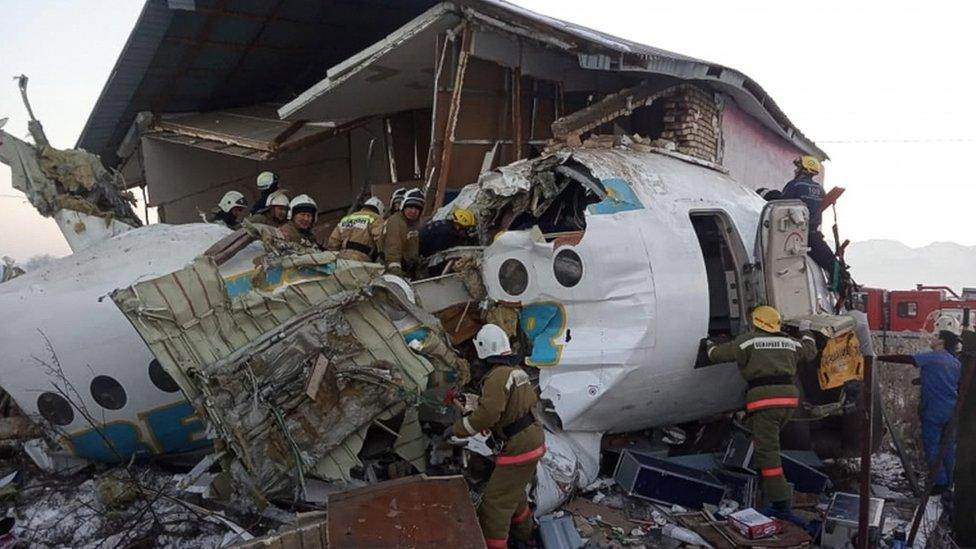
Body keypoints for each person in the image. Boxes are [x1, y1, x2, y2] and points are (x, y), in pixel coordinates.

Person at [706, 305, 817, 518]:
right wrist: (806, 330)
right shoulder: (789, 342)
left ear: (756, 323)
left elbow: (716, 355)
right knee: (758, 437)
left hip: (765, 403)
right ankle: (755, 482)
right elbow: (810, 350)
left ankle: (780, 503)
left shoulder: (748, 341)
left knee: (768, 453)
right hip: (788, 402)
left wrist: (709, 344)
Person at [447, 324, 545, 549]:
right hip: (532, 440)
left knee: (494, 505)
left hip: (519, 447)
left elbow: (488, 415)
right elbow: (510, 410)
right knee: (514, 494)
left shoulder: (497, 377)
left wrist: (458, 428)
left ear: (483, 352)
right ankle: (526, 536)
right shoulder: (517, 372)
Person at [878, 328, 962, 496]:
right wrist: (921, 380)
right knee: (949, 447)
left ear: (941, 341)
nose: (931, 338)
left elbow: (908, 359)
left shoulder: (931, 357)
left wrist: (878, 357)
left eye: (935, 336)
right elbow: (948, 381)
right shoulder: (954, 362)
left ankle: (939, 482)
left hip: (933, 410)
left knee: (932, 446)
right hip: (951, 410)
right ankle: (950, 481)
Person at [781, 156, 839, 279]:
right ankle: (841, 280)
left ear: (804, 170)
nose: (795, 170)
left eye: (798, 168)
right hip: (814, 235)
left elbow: (782, 205)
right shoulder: (820, 189)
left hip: (794, 233)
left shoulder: (795, 185)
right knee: (830, 262)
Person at [327, 197, 385, 262]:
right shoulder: (377, 218)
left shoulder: (347, 218)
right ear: (380, 211)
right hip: (362, 260)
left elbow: (333, 242)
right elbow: (381, 238)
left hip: (342, 259)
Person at [382, 188, 423, 278]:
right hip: (393, 270)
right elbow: (393, 250)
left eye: (417, 208)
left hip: (409, 270)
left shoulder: (416, 223)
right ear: (403, 206)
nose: (413, 211)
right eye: (410, 207)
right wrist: (397, 274)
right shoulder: (395, 222)